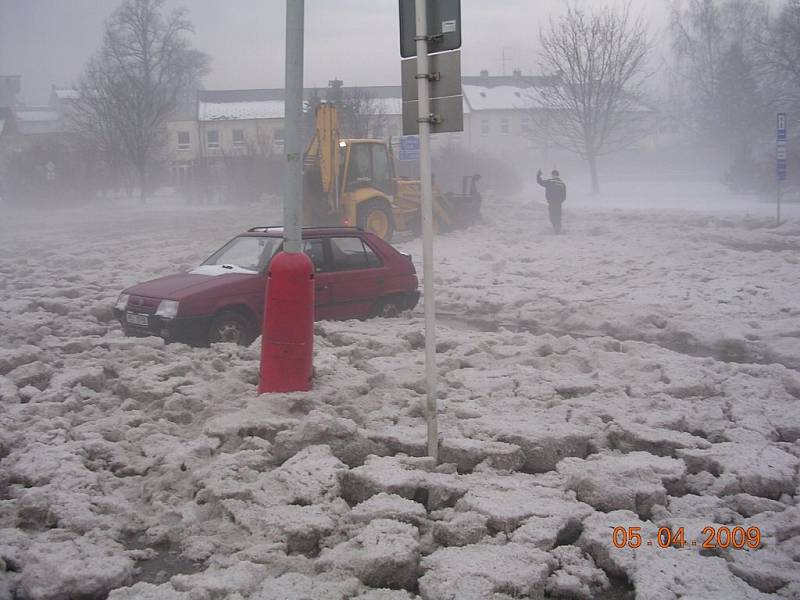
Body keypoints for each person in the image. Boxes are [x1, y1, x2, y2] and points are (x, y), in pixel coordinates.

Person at [536, 169, 567, 234]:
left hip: (552, 202)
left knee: (552, 216)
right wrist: (560, 201)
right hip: (559, 203)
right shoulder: (562, 183)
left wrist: (538, 175)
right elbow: (564, 196)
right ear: (558, 175)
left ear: (553, 175)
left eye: (552, 174)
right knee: (558, 216)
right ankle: (558, 229)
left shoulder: (550, 181)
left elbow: (540, 182)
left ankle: (556, 229)